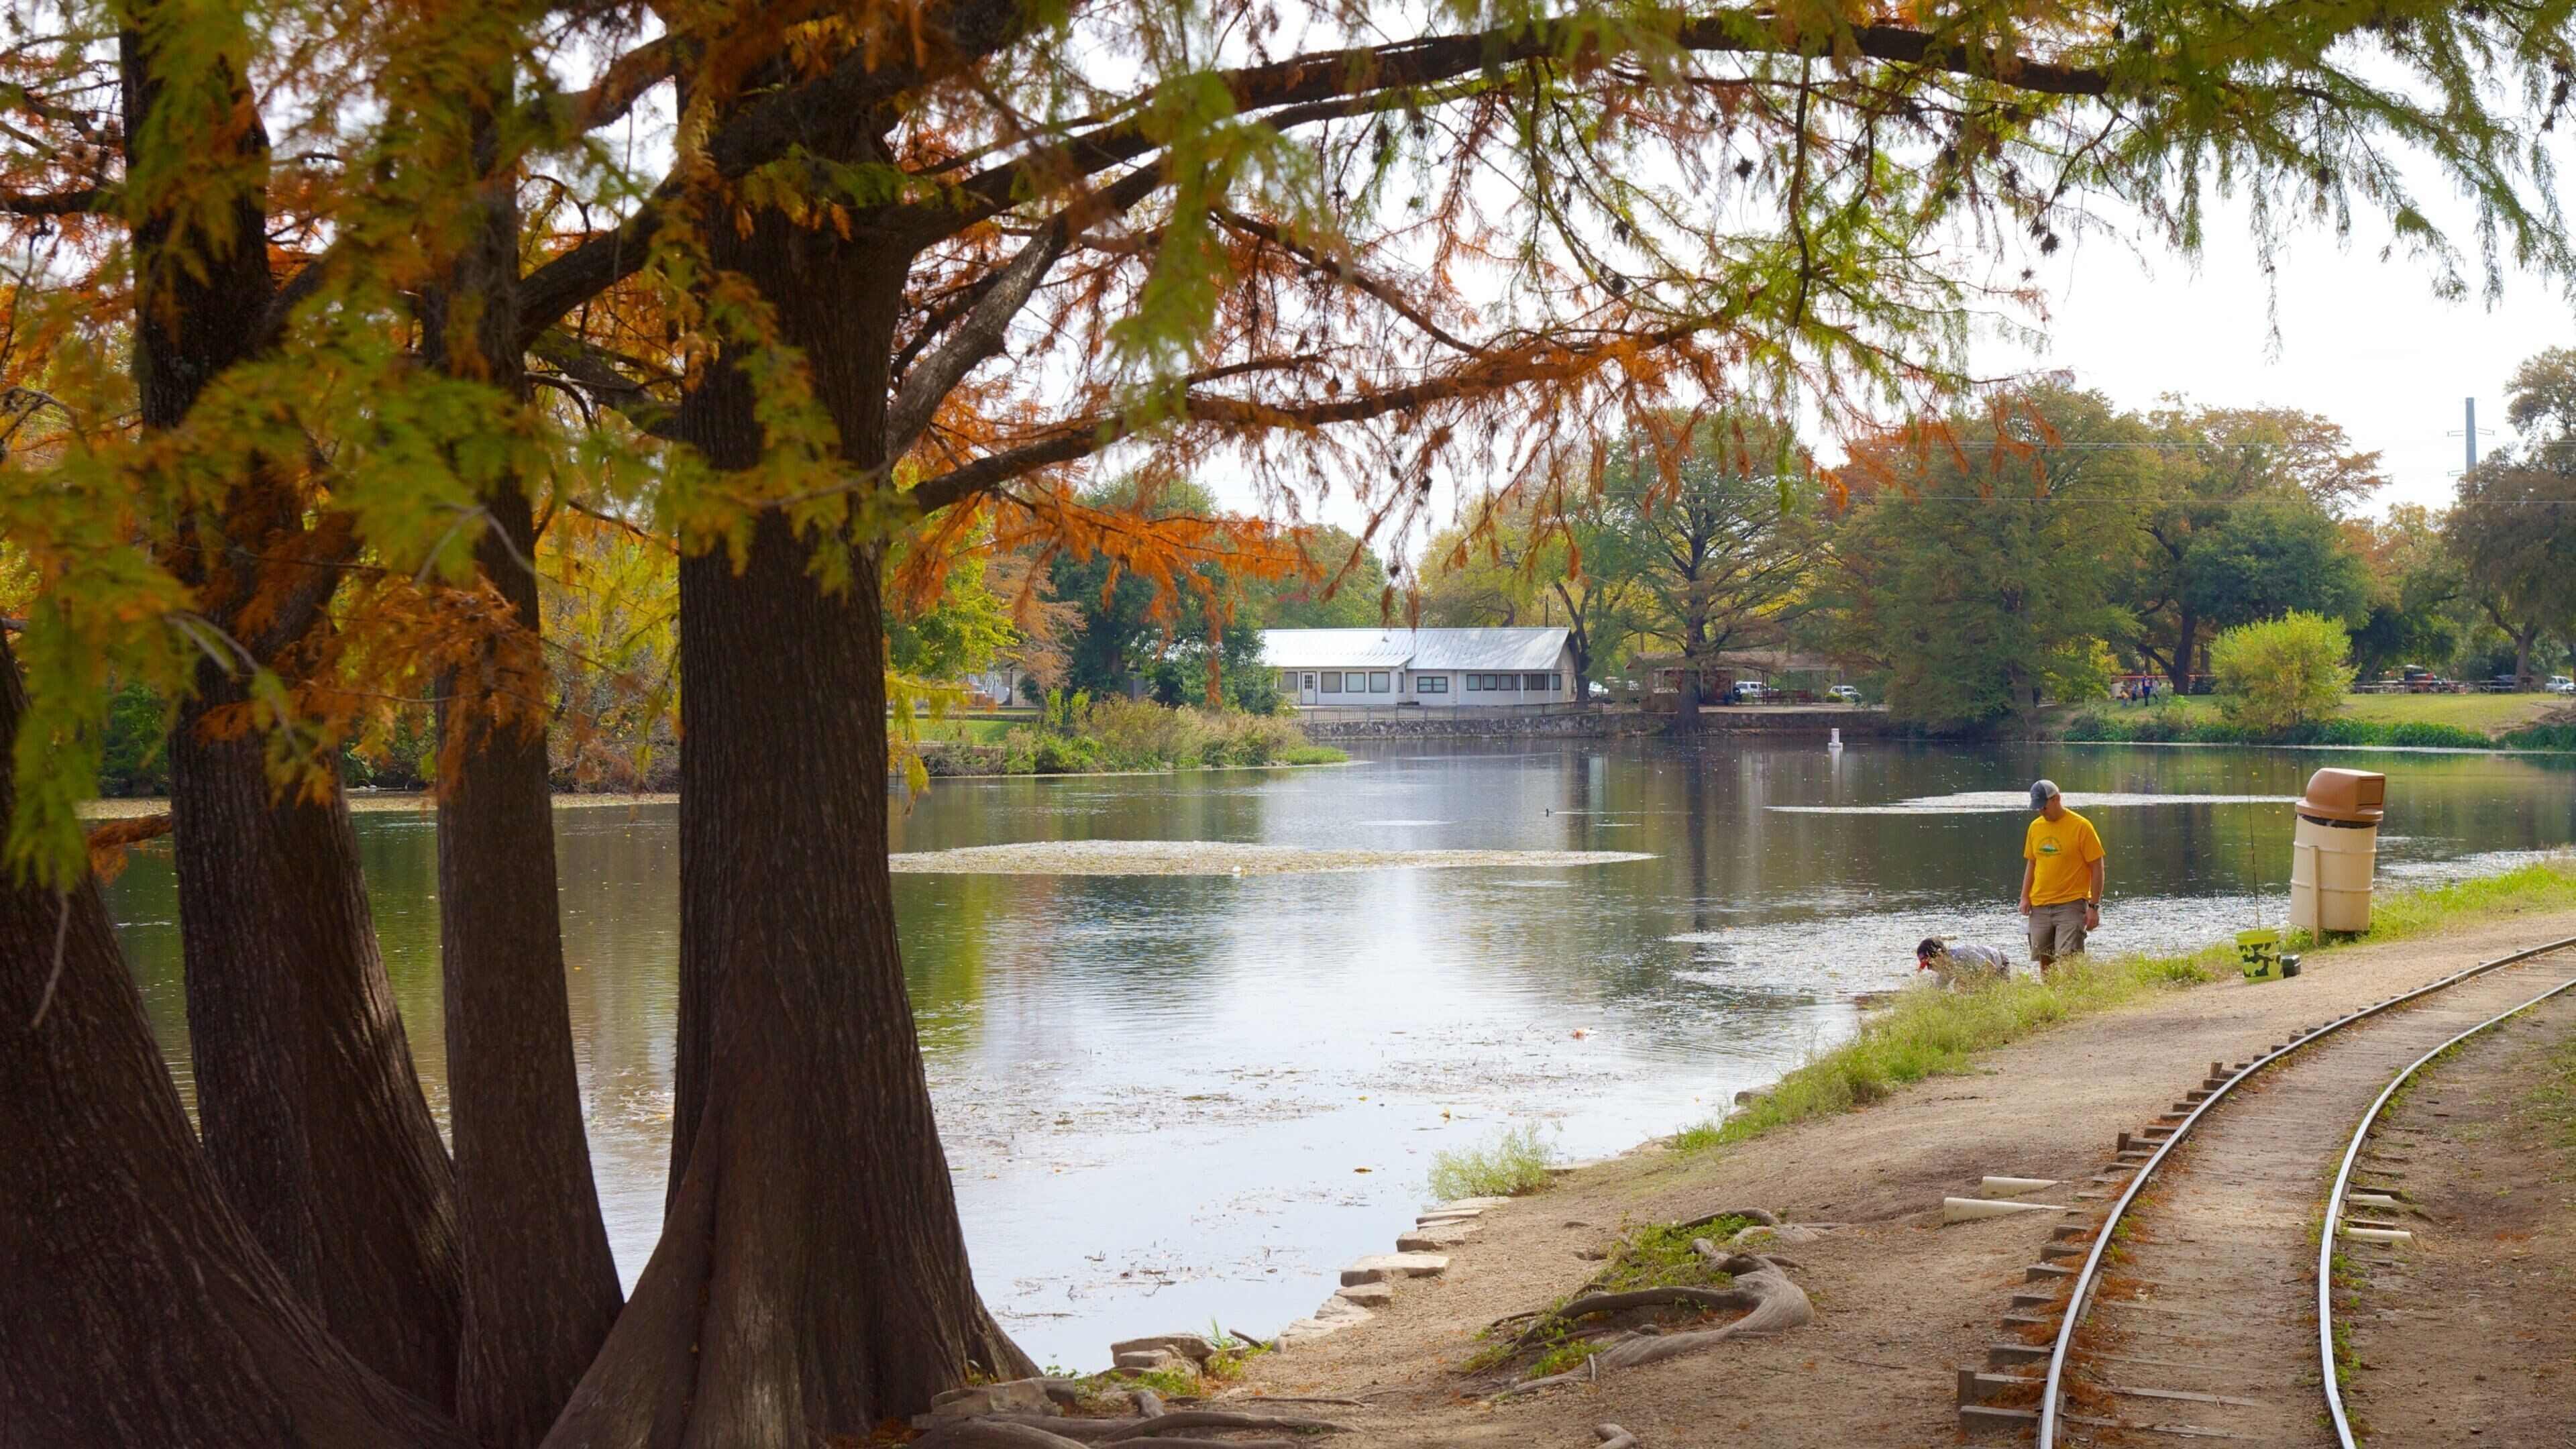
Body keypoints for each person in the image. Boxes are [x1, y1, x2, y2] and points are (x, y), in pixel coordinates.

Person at [2020, 779, 2103, 972]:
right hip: (2039, 904)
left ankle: (2073, 997)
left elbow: (2097, 868)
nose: (2041, 811)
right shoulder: (2035, 827)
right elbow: (2032, 863)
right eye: (2038, 808)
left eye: (2044, 806)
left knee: (2069, 957)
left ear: (2057, 799)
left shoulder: (2081, 826)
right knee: (2045, 959)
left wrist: (2094, 906)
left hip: (2071, 903)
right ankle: (2052, 999)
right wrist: (2025, 897)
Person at [1917, 937, 2012, 989]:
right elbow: (1937, 991)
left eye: (1930, 963)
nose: (1931, 968)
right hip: (1976, 969)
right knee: (1960, 986)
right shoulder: (1944, 972)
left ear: (1940, 953)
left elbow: (1990, 968)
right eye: (1927, 966)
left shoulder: (1963, 953)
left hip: (1999, 961)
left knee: (2002, 990)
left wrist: (1980, 987)